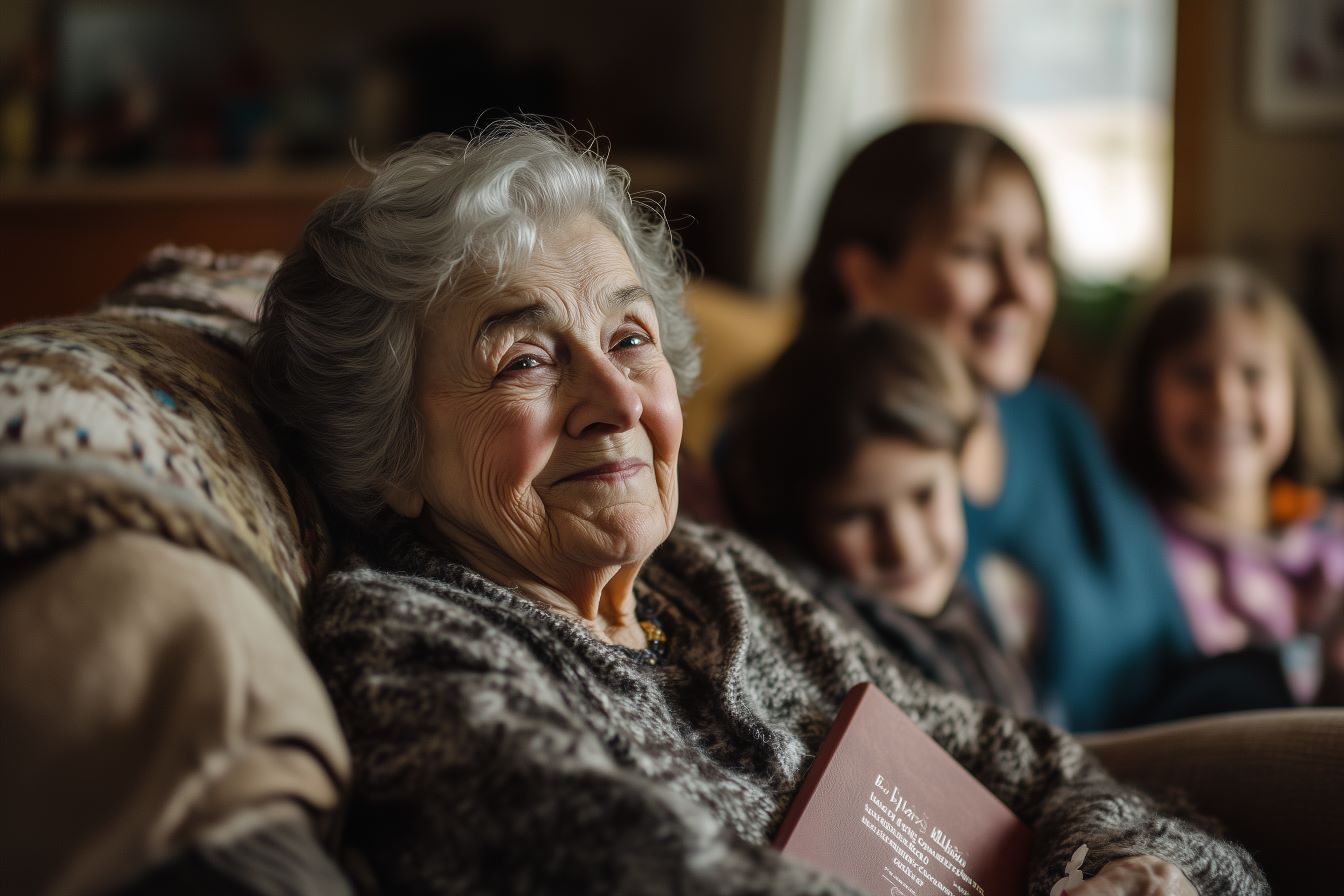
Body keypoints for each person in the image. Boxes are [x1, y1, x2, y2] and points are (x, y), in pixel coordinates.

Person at [248, 121, 1265, 895]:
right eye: (525, 358)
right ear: (384, 447)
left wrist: (1124, 863)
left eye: (632, 338)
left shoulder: (715, 579)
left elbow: (1035, 760)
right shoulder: (415, 650)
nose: (617, 404)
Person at [798, 119, 1196, 731]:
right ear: (867, 277)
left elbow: (1179, 648)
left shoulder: (1058, 422)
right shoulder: (807, 462)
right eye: (976, 253)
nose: (1021, 290)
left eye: (1034, 254)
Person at [718, 314, 1035, 714]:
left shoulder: (964, 609)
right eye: (854, 516)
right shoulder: (818, 633)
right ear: (795, 513)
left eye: (924, 496)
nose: (903, 547)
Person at [1109, 259, 1344, 712]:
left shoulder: (1330, 532)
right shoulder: (1134, 544)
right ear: (1145, 394)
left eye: (1253, 375)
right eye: (1195, 375)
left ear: (1295, 392)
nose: (1224, 399)